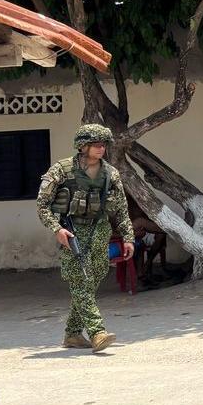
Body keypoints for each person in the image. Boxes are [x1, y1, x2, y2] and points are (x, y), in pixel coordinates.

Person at [35, 123, 134, 352]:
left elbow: (121, 209)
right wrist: (56, 229)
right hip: (71, 231)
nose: (101, 148)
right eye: (96, 144)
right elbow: (42, 205)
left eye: (103, 145)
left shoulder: (110, 174)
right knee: (79, 279)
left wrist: (128, 237)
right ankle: (97, 332)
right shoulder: (61, 170)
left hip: (99, 230)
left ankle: (72, 334)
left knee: (93, 278)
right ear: (83, 146)